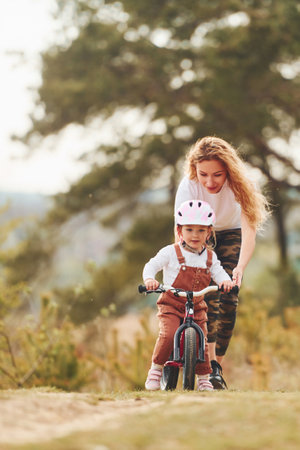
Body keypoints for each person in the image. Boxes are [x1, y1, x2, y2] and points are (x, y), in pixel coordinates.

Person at [175, 136, 269, 389]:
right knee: (208, 297)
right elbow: (181, 230)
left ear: (228, 169)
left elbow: (249, 231)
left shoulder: (243, 185)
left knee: (228, 296)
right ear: (195, 170)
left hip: (232, 232)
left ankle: (216, 366)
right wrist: (188, 262)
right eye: (203, 174)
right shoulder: (189, 186)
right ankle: (206, 360)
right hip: (199, 233)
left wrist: (239, 268)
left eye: (217, 174)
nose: (210, 182)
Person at [142, 199, 234, 391]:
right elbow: (151, 265)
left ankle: (203, 379)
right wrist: (150, 279)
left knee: (202, 339)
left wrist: (226, 282)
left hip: (197, 305)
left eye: (201, 230)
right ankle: (156, 370)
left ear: (209, 232)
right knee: (168, 334)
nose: (195, 235)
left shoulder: (210, 257)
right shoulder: (171, 252)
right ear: (179, 231)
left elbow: (219, 273)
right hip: (171, 304)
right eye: (189, 229)